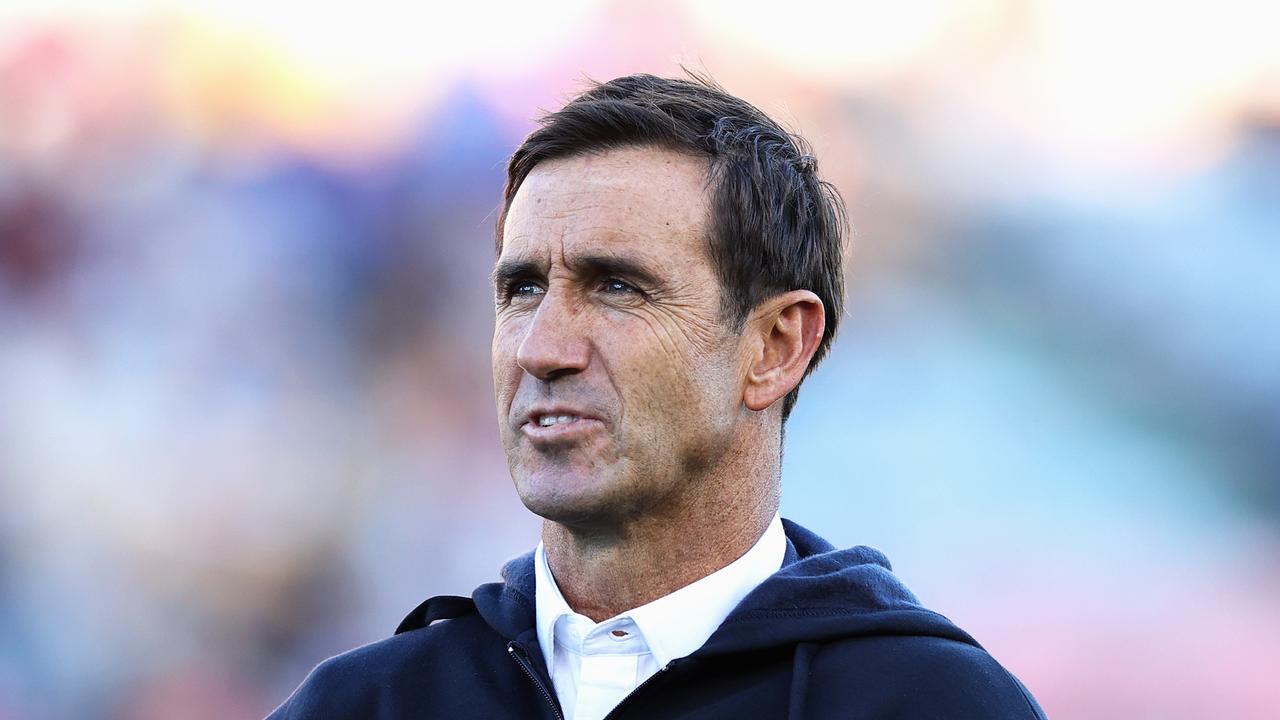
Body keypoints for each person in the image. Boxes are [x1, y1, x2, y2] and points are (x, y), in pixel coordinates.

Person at [269, 73, 1047, 720]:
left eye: (617, 287)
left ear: (775, 347)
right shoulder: (364, 705)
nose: (544, 348)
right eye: (522, 288)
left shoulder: (930, 705)